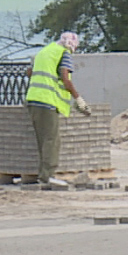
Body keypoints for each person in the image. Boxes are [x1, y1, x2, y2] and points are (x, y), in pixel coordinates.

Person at [24, 31, 91, 188]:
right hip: (47, 101)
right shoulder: (64, 53)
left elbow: (29, 72)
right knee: (51, 140)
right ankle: (48, 176)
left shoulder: (45, 51)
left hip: (33, 99)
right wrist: (78, 99)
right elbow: (65, 79)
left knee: (42, 140)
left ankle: (43, 175)